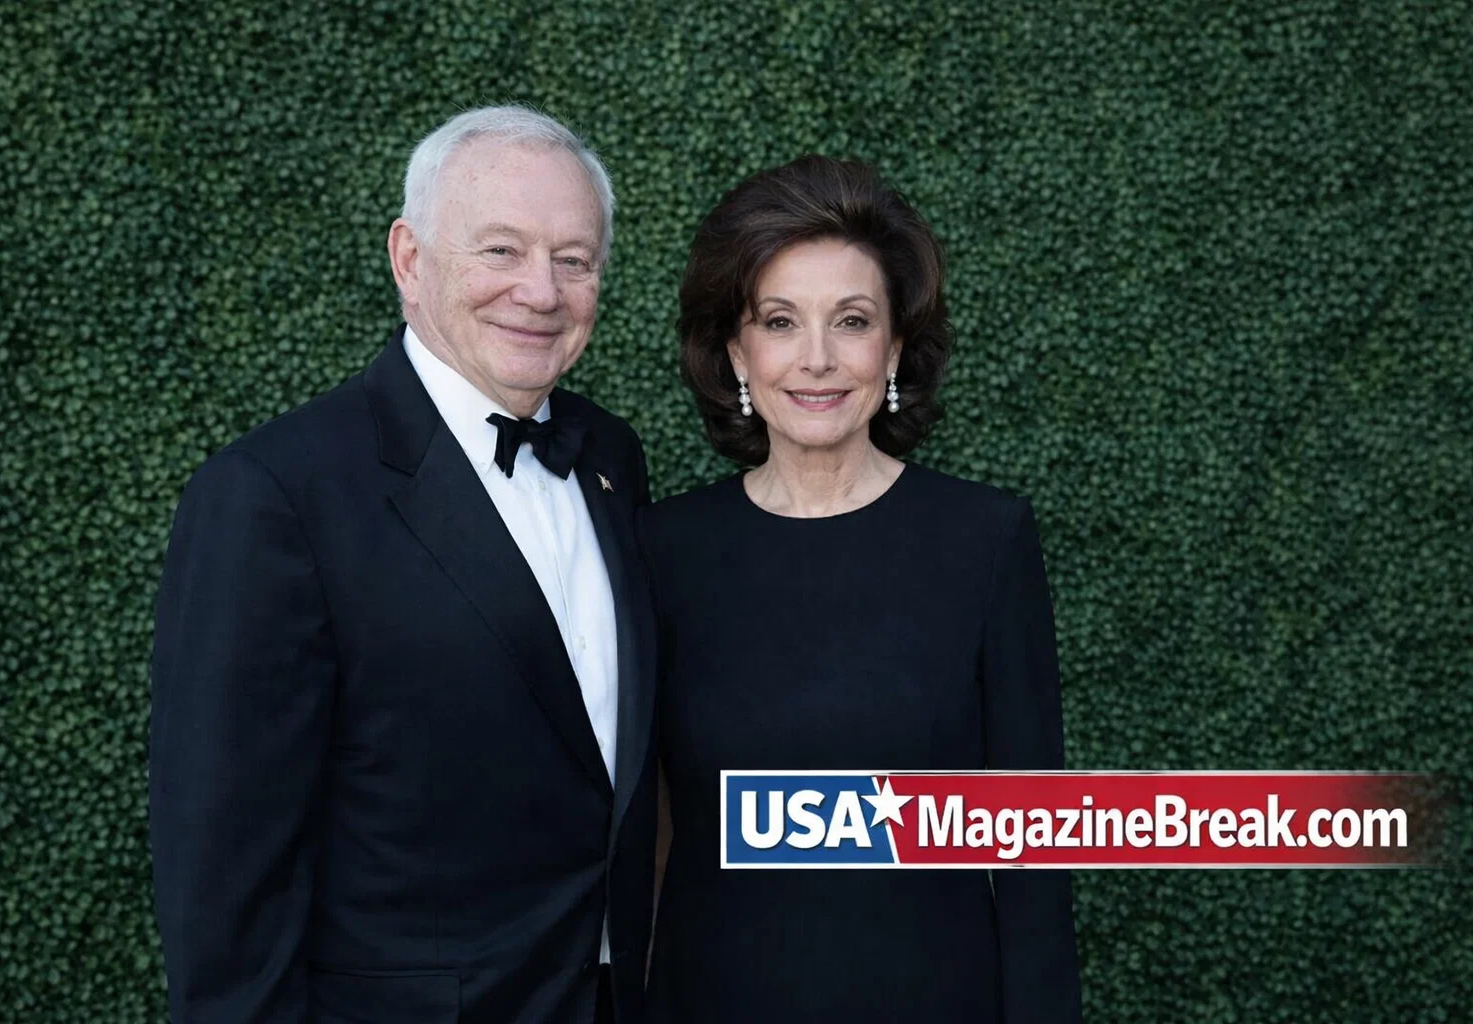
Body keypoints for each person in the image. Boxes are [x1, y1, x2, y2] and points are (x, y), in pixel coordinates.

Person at [149, 106, 656, 1024]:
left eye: (574, 259)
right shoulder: (274, 496)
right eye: (500, 250)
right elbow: (224, 868)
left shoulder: (612, 458)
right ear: (410, 260)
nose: (541, 291)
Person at [640, 156, 1082, 1022]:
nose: (817, 359)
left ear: (895, 349)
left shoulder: (985, 540)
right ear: (735, 351)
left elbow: (1034, 853)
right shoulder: (662, 549)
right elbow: (638, 832)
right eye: (779, 321)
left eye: (851, 321)